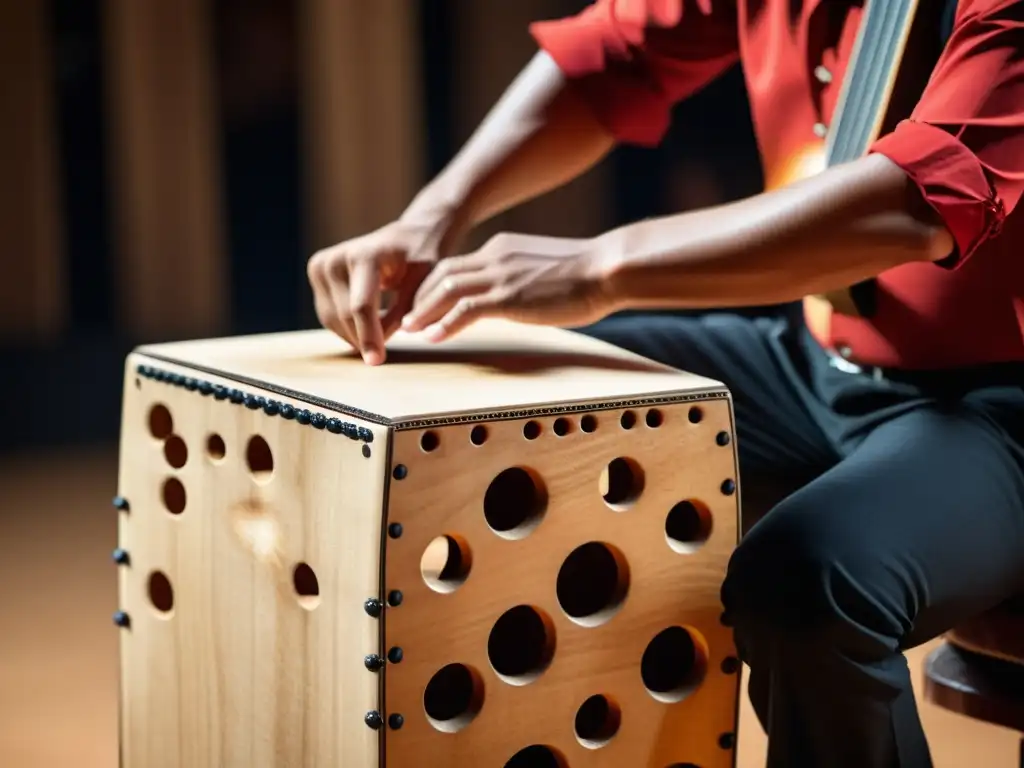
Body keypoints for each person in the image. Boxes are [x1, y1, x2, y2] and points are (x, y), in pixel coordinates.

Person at [306, 2, 1024, 766]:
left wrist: (599, 267)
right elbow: (613, 54)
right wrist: (434, 215)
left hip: (1001, 403)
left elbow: (913, 204)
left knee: (808, 586)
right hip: (818, 354)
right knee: (515, 426)